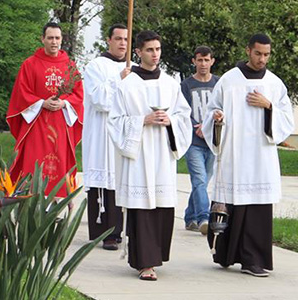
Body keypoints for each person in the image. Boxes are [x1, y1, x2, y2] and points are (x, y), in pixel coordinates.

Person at [203, 34, 294, 277]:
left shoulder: (275, 84)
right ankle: (224, 254)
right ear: (248, 51)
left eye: (266, 55)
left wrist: (269, 106)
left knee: (256, 207)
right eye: (258, 54)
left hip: (260, 157)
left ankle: (253, 260)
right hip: (234, 153)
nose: (262, 59)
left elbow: (286, 121)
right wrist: (217, 118)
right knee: (232, 203)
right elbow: (212, 110)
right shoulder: (230, 80)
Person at [108, 30, 192, 281]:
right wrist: (142, 120)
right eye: (149, 50)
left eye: (158, 49)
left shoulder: (170, 84)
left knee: (162, 208)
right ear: (138, 52)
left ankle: (156, 257)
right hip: (139, 156)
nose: (155, 55)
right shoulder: (127, 85)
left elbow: (183, 117)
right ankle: (145, 263)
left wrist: (171, 122)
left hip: (162, 155)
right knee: (142, 207)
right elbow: (114, 122)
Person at [6, 22, 83, 196]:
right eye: (50, 38)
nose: (54, 42)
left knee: (58, 164)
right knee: (34, 161)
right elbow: (21, 93)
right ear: (43, 39)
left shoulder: (70, 66)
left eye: (57, 38)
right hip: (37, 124)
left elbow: (78, 95)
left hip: (61, 124)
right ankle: (29, 200)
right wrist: (42, 103)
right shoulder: (30, 64)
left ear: (62, 39)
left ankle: (56, 203)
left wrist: (64, 103)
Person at [82, 24, 131, 251]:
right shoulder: (95, 66)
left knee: (122, 182)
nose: (123, 44)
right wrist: (118, 79)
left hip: (123, 133)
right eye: (119, 38)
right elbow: (100, 100)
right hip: (102, 134)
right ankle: (103, 233)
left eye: (127, 40)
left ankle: (119, 232)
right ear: (108, 40)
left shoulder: (135, 68)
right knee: (104, 181)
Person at [181, 45, 219, 235]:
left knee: (202, 183)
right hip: (193, 142)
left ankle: (189, 217)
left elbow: (223, 108)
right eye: (200, 60)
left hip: (213, 143)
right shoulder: (186, 85)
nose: (203, 64)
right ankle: (204, 217)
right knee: (199, 181)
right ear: (193, 62)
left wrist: (210, 127)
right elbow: (182, 111)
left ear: (212, 61)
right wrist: (198, 126)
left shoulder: (219, 84)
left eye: (207, 60)